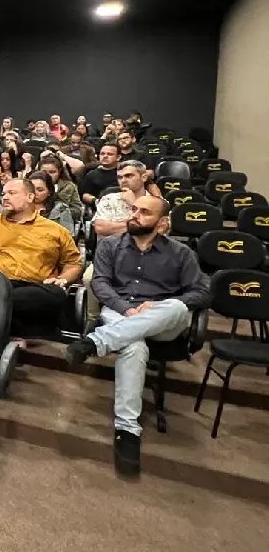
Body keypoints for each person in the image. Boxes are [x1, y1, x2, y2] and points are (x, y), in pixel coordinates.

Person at [66, 196, 210, 475]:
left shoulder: (181, 253)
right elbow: (100, 283)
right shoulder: (110, 245)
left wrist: (155, 307)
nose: (134, 215)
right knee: (134, 347)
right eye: (134, 209)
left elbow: (202, 292)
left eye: (144, 212)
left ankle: (95, 342)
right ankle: (127, 429)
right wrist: (126, 309)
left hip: (163, 321)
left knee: (177, 307)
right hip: (120, 312)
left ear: (162, 223)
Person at [0, 179, 83, 336]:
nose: (5, 197)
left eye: (12, 193)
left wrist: (62, 279)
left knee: (56, 294)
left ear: (30, 197)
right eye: (3, 194)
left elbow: (73, 264)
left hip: (33, 289)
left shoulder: (56, 230)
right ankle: (15, 328)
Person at [29, 170, 77, 236]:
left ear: (49, 191)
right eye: (31, 189)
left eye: (40, 190)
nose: (35, 193)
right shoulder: (19, 207)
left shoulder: (61, 209)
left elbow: (68, 236)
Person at [39, 154, 83, 223]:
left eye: (52, 172)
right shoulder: (32, 185)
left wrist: (61, 211)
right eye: (44, 172)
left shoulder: (69, 186)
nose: (48, 175)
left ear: (59, 172)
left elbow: (78, 210)